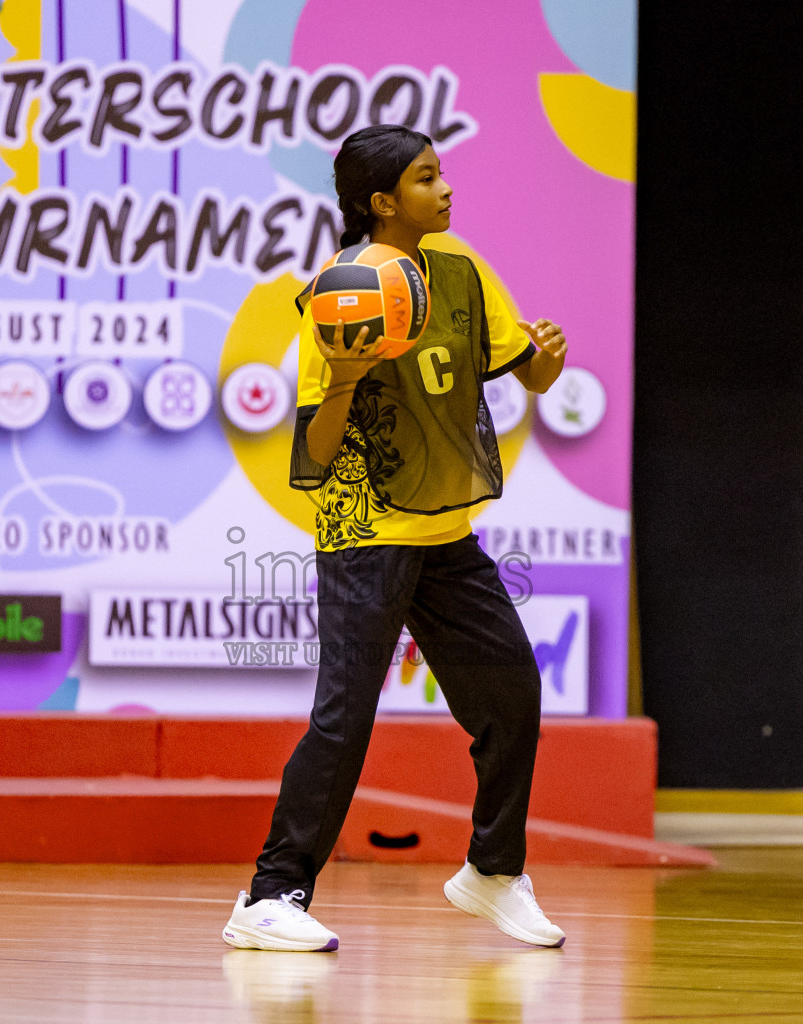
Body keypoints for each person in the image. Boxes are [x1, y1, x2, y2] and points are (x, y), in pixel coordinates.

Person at [222, 124, 569, 952]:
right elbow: (313, 447)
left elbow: (522, 367)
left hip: (445, 530)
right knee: (345, 717)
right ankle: (270, 897)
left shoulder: (462, 269)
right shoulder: (343, 290)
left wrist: (547, 363)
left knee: (512, 693)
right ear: (382, 201)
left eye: (441, 174)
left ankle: (490, 872)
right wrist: (342, 378)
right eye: (425, 178)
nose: (445, 190)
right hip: (365, 529)